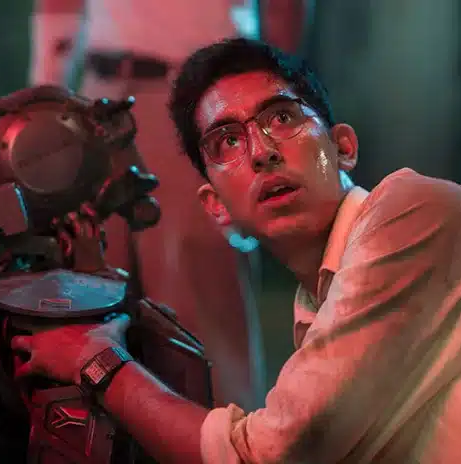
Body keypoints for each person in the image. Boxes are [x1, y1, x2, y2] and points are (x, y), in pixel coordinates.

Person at [11, 38, 461, 463]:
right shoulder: (316, 308)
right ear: (216, 207)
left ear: (343, 147)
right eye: (226, 140)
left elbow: (267, 453)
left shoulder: (415, 212)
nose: (261, 152)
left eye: (281, 117)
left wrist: (97, 362)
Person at [27, 0, 314, 410]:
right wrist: (44, 92)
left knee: (198, 312)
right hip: (98, 93)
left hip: (199, 92)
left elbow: (283, 7)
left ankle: (227, 435)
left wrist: (270, 101)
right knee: (93, 297)